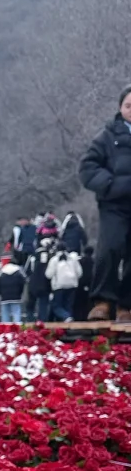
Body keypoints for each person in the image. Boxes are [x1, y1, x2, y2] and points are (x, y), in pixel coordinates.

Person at [78, 86, 131, 321]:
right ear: (120, 108)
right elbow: (87, 167)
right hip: (114, 205)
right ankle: (102, 301)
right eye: (128, 105)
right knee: (110, 248)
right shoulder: (107, 135)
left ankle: (126, 306)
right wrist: (110, 185)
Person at [24, 222, 59, 322]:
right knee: (43, 305)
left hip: (33, 283)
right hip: (45, 284)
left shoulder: (33, 256)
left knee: (30, 305)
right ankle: (42, 322)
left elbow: (27, 270)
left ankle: (30, 322)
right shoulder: (53, 256)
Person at [46, 245, 83, 322]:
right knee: (68, 305)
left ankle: (66, 316)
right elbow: (79, 273)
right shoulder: (73, 259)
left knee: (56, 306)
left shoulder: (54, 259)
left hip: (59, 286)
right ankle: (68, 323)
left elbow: (49, 274)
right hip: (72, 285)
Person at [0, 255, 26, 324]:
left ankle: (5, 327)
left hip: (4, 298)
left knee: (5, 314)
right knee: (16, 312)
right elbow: (22, 284)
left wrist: (2, 294)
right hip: (16, 297)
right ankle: (17, 326)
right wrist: (20, 293)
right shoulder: (18, 274)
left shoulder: (2, 274)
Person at [74, 243, 95, 322]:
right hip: (91, 284)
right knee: (88, 303)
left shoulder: (80, 261)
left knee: (79, 303)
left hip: (80, 284)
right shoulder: (94, 262)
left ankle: (78, 317)